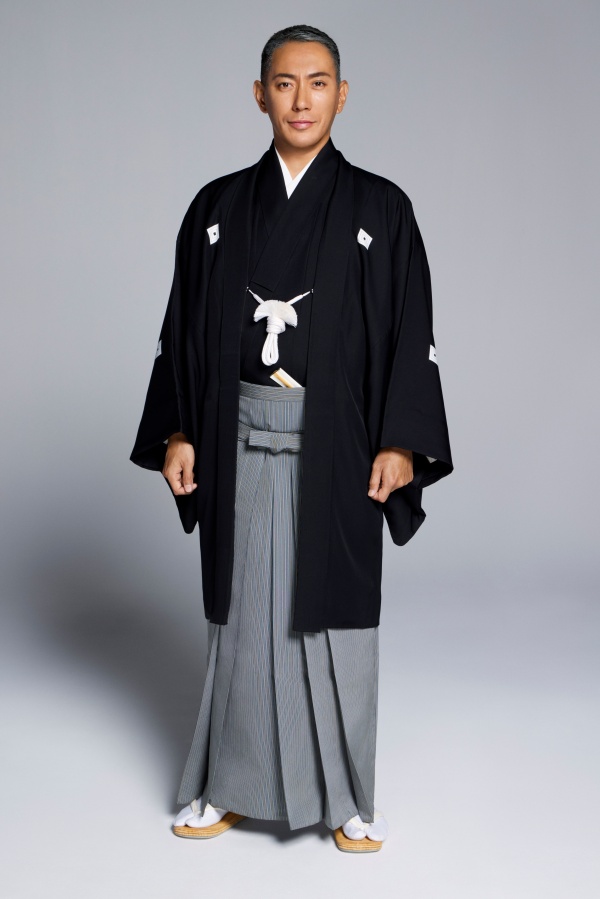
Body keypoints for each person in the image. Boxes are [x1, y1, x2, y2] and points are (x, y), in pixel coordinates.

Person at [130, 24, 453, 853]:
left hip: (338, 442)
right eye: (284, 83)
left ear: (341, 95)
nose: (300, 100)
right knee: (241, 618)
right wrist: (178, 430)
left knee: (334, 618)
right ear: (259, 94)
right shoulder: (216, 208)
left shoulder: (381, 208)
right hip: (233, 436)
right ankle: (226, 782)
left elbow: (410, 330)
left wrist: (400, 442)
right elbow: (181, 330)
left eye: (316, 83)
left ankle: (347, 795)